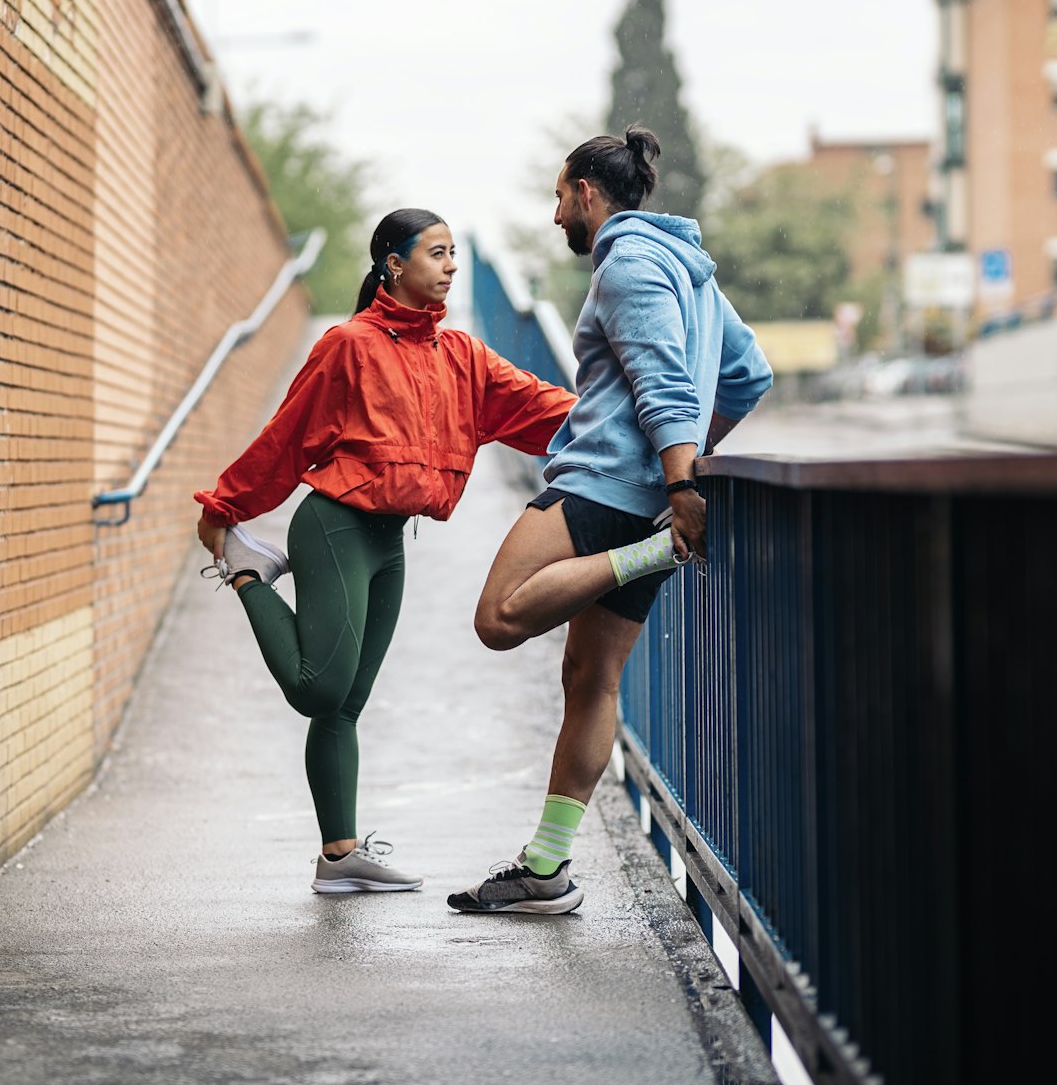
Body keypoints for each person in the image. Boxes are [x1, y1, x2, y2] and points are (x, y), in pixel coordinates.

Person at [195, 208, 576, 895]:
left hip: (389, 543)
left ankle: (339, 858)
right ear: (394, 264)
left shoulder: (460, 355)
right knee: (319, 688)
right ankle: (249, 572)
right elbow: (288, 433)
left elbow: (540, 406)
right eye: (437, 252)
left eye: (456, 252)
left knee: (347, 706)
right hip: (334, 527)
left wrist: (634, 425)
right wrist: (225, 508)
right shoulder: (349, 344)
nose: (453, 265)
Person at [450, 127, 772, 914]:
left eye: (560, 197)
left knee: (497, 617)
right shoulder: (696, 274)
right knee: (590, 681)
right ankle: (547, 868)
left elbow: (661, 373)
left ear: (589, 194)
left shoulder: (625, 260)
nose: (556, 212)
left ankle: (647, 554)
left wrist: (679, 482)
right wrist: (683, 466)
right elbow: (747, 375)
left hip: (601, 489)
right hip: (650, 495)